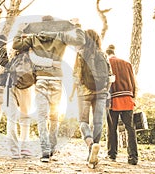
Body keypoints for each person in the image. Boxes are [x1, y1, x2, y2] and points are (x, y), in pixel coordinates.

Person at [12, 16, 85, 162]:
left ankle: (45, 150)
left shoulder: (33, 38)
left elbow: (16, 45)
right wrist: (77, 26)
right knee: (54, 116)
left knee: (41, 116)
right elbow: (80, 41)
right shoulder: (62, 36)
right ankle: (52, 147)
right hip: (57, 80)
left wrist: (19, 30)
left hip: (41, 80)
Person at [69, 29, 113, 166]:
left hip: (84, 93)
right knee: (98, 123)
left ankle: (90, 143)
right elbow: (111, 76)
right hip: (101, 92)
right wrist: (106, 89)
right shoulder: (103, 54)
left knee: (83, 121)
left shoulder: (81, 53)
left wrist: (71, 94)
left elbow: (76, 77)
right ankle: (93, 153)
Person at [105, 44, 138, 165]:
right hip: (127, 98)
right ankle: (133, 157)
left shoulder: (107, 62)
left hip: (113, 100)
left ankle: (112, 154)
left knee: (112, 128)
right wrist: (132, 95)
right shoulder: (127, 63)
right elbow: (133, 82)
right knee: (130, 129)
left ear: (106, 53)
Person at [3, 48, 33, 159]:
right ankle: (25, 147)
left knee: (11, 119)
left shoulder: (12, 53)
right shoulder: (32, 53)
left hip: (9, 86)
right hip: (26, 88)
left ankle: (14, 151)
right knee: (25, 118)